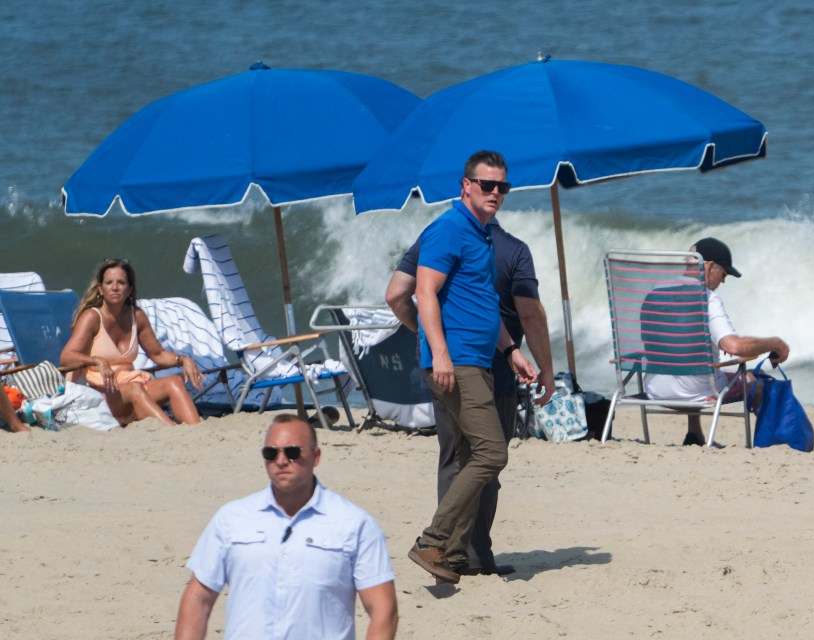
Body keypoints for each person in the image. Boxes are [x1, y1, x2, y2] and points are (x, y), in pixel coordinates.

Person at [386, 211, 555, 576]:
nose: (494, 192)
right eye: (488, 185)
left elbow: (396, 295)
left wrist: (430, 338)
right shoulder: (505, 248)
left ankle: (457, 555)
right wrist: (547, 368)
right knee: (490, 456)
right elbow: (530, 314)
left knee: (458, 458)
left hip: (465, 361)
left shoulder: (449, 241)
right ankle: (438, 544)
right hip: (468, 367)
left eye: (499, 186)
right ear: (468, 188)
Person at [175, 414, 398, 640]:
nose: (281, 461)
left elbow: (384, 610)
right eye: (271, 453)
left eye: (292, 452)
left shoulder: (354, 523)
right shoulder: (231, 518)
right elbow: (198, 599)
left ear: (316, 456)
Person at [643, 237, 790, 446]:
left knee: (692, 364)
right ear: (709, 266)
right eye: (724, 273)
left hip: (655, 390)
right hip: (697, 393)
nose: (723, 281)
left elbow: (658, 344)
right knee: (757, 381)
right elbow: (734, 347)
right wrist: (775, 344)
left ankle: (694, 434)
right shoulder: (708, 299)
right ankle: (773, 441)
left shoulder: (654, 294)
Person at [60, 258, 205, 426]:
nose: (114, 287)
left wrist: (182, 360)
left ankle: (196, 430)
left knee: (174, 381)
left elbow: (158, 354)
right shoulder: (92, 317)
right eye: (109, 283)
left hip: (126, 387)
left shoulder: (136, 316)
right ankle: (172, 432)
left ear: (129, 289)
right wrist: (96, 360)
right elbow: (66, 358)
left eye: (121, 283)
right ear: (100, 289)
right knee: (135, 389)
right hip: (94, 393)